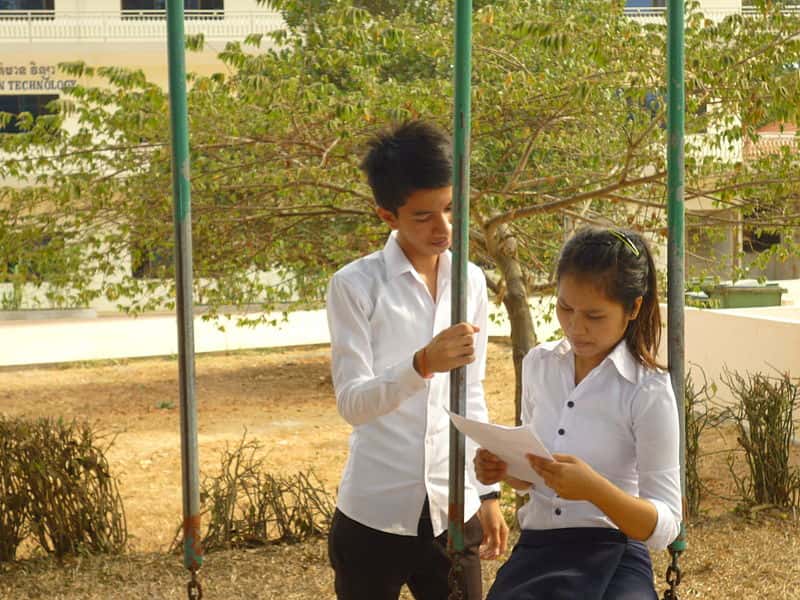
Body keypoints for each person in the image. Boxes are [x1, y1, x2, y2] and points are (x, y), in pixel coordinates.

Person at [326, 120, 509, 600]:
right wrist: (421, 364)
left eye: (450, 209)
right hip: (374, 513)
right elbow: (352, 403)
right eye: (424, 216)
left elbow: (472, 392)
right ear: (388, 216)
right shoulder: (354, 286)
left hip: (454, 509)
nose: (444, 228)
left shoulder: (469, 281)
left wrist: (487, 494)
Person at [474, 226, 681, 600]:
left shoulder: (646, 390)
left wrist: (595, 490)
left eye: (594, 316)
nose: (575, 326)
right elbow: (535, 474)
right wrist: (507, 469)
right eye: (565, 308)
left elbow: (666, 526)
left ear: (633, 308)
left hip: (614, 549)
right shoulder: (540, 364)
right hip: (539, 549)